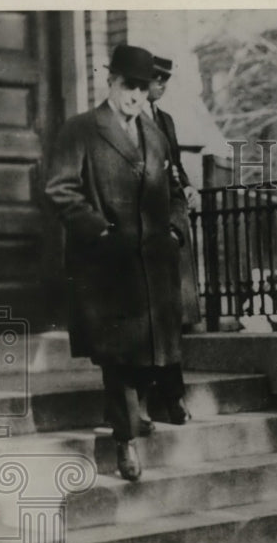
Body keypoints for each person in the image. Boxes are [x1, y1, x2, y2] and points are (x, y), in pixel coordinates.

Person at [45, 44, 190, 481]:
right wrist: (100, 231)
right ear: (110, 82)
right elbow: (60, 189)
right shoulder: (81, 131)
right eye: (128, 85)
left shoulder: (156, 135)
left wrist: (177, 230)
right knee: (118, 358)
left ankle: (133, 418)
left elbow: (177, 192)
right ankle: (124, 442)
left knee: (149, 354)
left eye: (143, 88)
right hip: (106, 268)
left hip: (152, 265)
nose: (135, 96)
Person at [139, 54, 201, 424]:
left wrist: (190, 188)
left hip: (169, 231)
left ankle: (172, 395)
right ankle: (152, 397)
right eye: (156, 77)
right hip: (140, 230)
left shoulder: (165, 121)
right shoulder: (125, 123)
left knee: (169, 316)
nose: (161, 85)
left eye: (166, 79)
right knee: (145, 319)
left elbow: (175, 167)